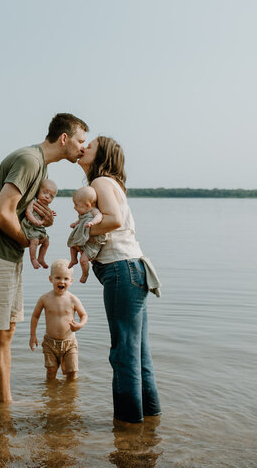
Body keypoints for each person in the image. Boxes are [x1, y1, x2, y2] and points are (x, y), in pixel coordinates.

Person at [0, 113, 89, 412]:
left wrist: (34, 220)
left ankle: (3, 405)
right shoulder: (30, 161)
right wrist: (26, 240)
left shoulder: (40, 165)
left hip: (8, 257)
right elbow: (0, 213)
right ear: (64, 138)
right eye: (81, 141)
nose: (83, 148)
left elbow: (14, 212)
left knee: (5, 333)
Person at [78, 136, 161, 424]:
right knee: (139, 354)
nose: (83, 147)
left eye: (90, 145)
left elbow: (113, 221)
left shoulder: (100, 181)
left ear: (101, 156)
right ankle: (149, 423)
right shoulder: (111, 184)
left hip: (122, 270)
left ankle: (127, 429)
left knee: (123, 355)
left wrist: (80, 235)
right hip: (134, 269)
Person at [29, 259, 88, 380]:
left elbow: (84, 315)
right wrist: (32, 335)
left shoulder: (73, 299)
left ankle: (69, 397)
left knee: (72, 373)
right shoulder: (44, 298)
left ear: (71, 281)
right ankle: (51, 397)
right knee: (51, 371)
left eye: (66, 279)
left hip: (69, 343)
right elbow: (35, 316)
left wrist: (80, 325)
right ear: (51, 279)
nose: (62, 281)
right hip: (50, 343)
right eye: (58, 278)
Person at [67, 185, 107, 283]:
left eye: (77, 205)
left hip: (92, 244)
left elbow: (99, 216)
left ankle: (85, 274)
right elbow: (81, 221)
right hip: (83, 240)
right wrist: (75, 223)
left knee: (83, 260)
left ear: (88, 205)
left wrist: (93, 222)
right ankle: (73, 259)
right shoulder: (82, 214)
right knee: (72, 245)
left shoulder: (94, 211)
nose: (74, 207)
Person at [21, 178, 58, 269]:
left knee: (46, 242)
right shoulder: (32, 201)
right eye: (45, 192)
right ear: (37, 191)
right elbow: (28, 212)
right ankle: (33, 259)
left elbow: (45, 215)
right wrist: (35, 221)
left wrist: (51, 214)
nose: (47, 197)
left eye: (51, 196)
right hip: (30, 226)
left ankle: (41, 258)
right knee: (35, 241)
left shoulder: (45, 205)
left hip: (38, 229)